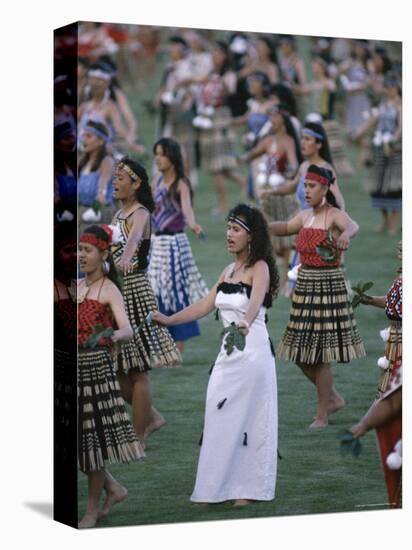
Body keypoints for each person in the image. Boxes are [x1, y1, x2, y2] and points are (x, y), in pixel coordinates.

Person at [152, 203, 279, 505]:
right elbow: (204, 306)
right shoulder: (227, 270)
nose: (229, 235)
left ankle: (247, 490)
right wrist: (169, 319)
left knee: (249, 420)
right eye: (228, 228)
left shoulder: (259, 267)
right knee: (218, 413)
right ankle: (215, 487)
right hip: (228, 354)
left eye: (235, 230)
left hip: (253, 352)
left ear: (251, 236)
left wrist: (246, 322)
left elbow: (256, 300)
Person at [270, 165, 365, 429]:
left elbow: (353, 225)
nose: (307, 191)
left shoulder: (333, 215)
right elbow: (285, 227)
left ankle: (322, 415)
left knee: (320, 354)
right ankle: (332, 398)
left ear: (325, 189)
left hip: (327, 287)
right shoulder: (304, 216)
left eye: (312, 187)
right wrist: (259, 224)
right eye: (305, 186)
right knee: (300, 353)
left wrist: (345, 234)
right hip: (305, 287)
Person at [76, 224, 145, 529]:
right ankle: (113, 488)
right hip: (72, 370)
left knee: (92, 444)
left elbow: (128, 329)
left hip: (96, 371)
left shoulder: (109, 289)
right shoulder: (74, 287)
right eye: (78, 249)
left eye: (87, 250)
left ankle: (90, 511)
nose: (80, 255)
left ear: (103, 253)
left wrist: (110, 335)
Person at [110, 157, 181, 443]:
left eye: (120, 179)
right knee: (113, 367)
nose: (115, 183)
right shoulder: (117, 215)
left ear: (135, 184)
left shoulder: (140, 213)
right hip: (115, 291)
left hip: (135, 292)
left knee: (137, 368)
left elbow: (136, 237)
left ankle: (138, 436)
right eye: (114, 178)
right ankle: (150, 416)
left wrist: (127, 255)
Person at [350, 241, 402, 508]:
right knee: (391, 396)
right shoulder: (400, 277)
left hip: (403, 342)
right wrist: (369, 299)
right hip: (394, 342)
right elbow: (393, 303)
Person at [148, 138, 208, 353]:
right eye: (156, 154)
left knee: (175, 293)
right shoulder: (155, 182)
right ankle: (161, 347)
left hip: (174, 244)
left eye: (162, 154)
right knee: (156, 292)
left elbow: (187, 210)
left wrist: (194, 225)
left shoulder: (181, 183)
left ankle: (177, 349)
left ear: (172, 158)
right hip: (157, 244)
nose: (157, 158)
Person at [243, 104, 302, 290]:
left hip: (281, 194)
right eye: (271, 118)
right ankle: (268, 278)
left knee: (285, 242)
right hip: (266, 195)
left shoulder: (289, 141)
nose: (272, 120)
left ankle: (285, 277)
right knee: (267, 238)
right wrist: (243, 155)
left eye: (275, 118)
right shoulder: (267, 141)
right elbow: (253, 154)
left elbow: (293, 163)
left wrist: (288, 175)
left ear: (282, 121)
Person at [195, 40, 247, 213]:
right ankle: (243, 182)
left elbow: (230, 90)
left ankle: (223, 205)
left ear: (225, 56)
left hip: (220, 118)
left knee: (217, 166)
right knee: (217, 167)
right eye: (213, 53)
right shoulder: (210, 73)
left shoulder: (227, 74)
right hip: (208, 119)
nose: (215, 56)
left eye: (218, 53)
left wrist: (221, 81)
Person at [355, 72, 402, 235]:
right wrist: (360, 131)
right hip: (379, 149)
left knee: (394, 187)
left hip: (395, 150)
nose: (388, 90)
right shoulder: (384, 104)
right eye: (387, 87)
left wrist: (392, 141)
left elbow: (400, 128)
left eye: (391, 87)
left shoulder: (401, 105)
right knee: (378, 187)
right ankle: (385, 220)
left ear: (397, 88)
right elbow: (373, 120)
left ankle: (394, 223)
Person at [78, 118, 116, 229]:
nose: (84, 140)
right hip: (83, 210)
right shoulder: (82, 162)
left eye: (88, 136)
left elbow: (102, 191)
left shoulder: (107, 161)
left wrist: (94, 209)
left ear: (101, 141)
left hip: (100, 212)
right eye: (83, 136)